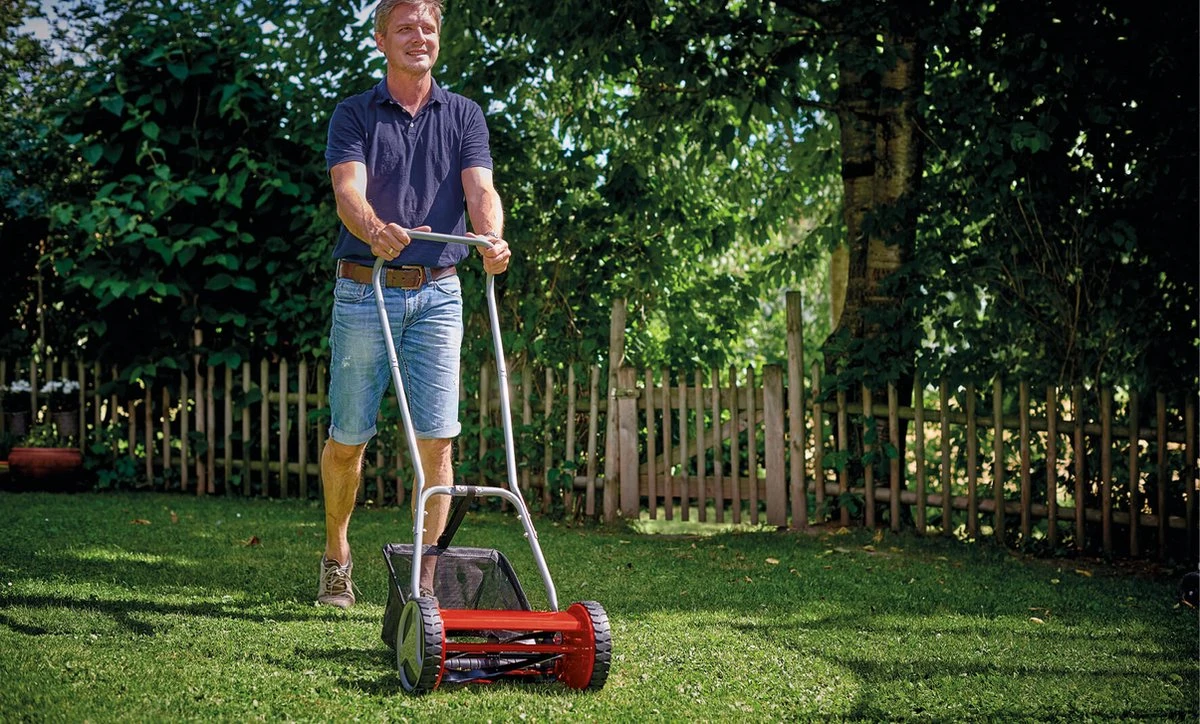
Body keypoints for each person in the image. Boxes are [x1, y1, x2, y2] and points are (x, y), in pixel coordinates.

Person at [317, 0, 511, 608]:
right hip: (365, 288)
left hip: (439, 293)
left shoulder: (464, 114)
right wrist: (375, 229)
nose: (418, 37)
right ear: (382, 40)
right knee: (349, 438)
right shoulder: (354, 113)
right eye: (405, 27)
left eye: (428, 27)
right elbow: (348, 190)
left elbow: (481, 189)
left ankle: (424, 583)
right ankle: (337, 555)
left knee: (438, 440)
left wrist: (491, 237)